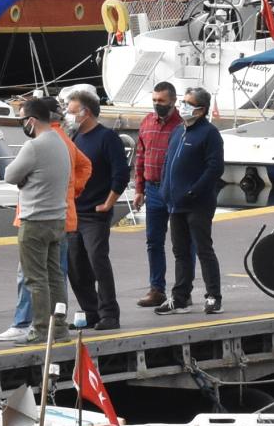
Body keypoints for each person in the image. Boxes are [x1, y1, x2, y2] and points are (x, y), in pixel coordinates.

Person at [4, 96, 74, 342]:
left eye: (22, 120)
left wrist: (25, 179)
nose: (22, 124)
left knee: (36, 278)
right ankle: (60, 328)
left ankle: (41, 329)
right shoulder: (60, 142)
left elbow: (10, 175)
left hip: (34, 221)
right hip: (57, 219)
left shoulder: (34, 146)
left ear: (32, 120)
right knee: (55, 276)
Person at [63, 87, 126, 331]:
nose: (68, 116)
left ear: (85, 112)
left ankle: (110, 313)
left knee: (97, 259)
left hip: (95, 214)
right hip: (75, 211)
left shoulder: (107, 137)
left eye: (71, 111)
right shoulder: (76, 137)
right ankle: (91, 311)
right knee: (75, 265)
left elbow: (120, 174)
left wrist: (109, 203)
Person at [160, 86, 225, 314]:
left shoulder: (209, 133)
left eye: (188, 103)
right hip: (175, 203)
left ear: (200, 110)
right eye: (183, 102)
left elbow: (215, 168)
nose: (182, 107)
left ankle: (213, 297)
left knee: (203, 249)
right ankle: (180, 298)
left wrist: (194, 191)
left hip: (197, 203)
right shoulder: (179, 131)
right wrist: (164, 190)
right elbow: (169, 162)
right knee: (180, 252)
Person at [131, 81, 182, 309]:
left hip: (176, 189)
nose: (157, 104)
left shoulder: (182, 126)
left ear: (173, 101)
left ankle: (182, 291)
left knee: (182, 243)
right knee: (153, 241)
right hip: (152, 189)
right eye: (154, 100)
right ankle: (157, 289)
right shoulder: (147, 122)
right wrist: (139, 189)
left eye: (161, 101)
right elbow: (140, 157)